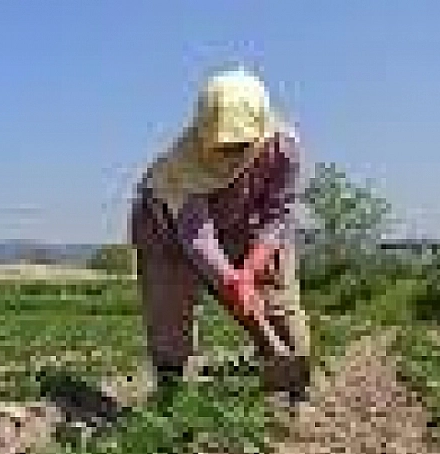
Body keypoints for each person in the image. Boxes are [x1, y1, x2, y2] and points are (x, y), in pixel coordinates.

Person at [129, 68, 312, 402]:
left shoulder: (283, 148)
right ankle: (172, 392)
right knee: (170, 306)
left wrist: (250, 271)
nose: (231, 154)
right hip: (166, 232)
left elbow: (278, 214)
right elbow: (198, 237)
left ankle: (290, 380)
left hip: (242, 223)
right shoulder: (181, 166)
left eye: (239, 145)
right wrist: (233, 282)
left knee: (277, 305)